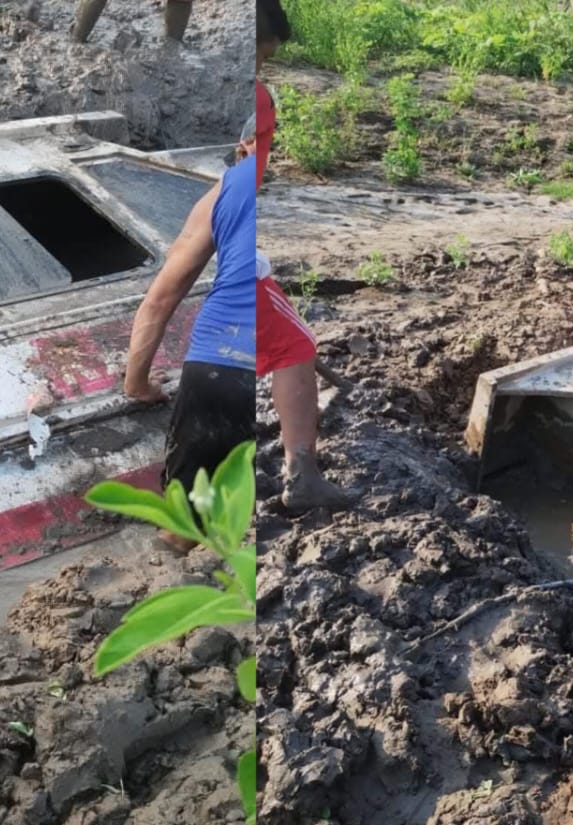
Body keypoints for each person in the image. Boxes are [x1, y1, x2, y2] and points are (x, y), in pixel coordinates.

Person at [123, 145, 257, 551]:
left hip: (219, 362)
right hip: (278, 364)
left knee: (183, 525)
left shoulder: (228, 187)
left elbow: (159, 300)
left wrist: (138, 384)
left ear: (244, 147)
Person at [252, 0, 355, 512]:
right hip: (223, 253)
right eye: (263, 56)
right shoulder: (256, 103)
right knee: (295, 345)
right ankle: (303, 475)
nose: (264, 68)